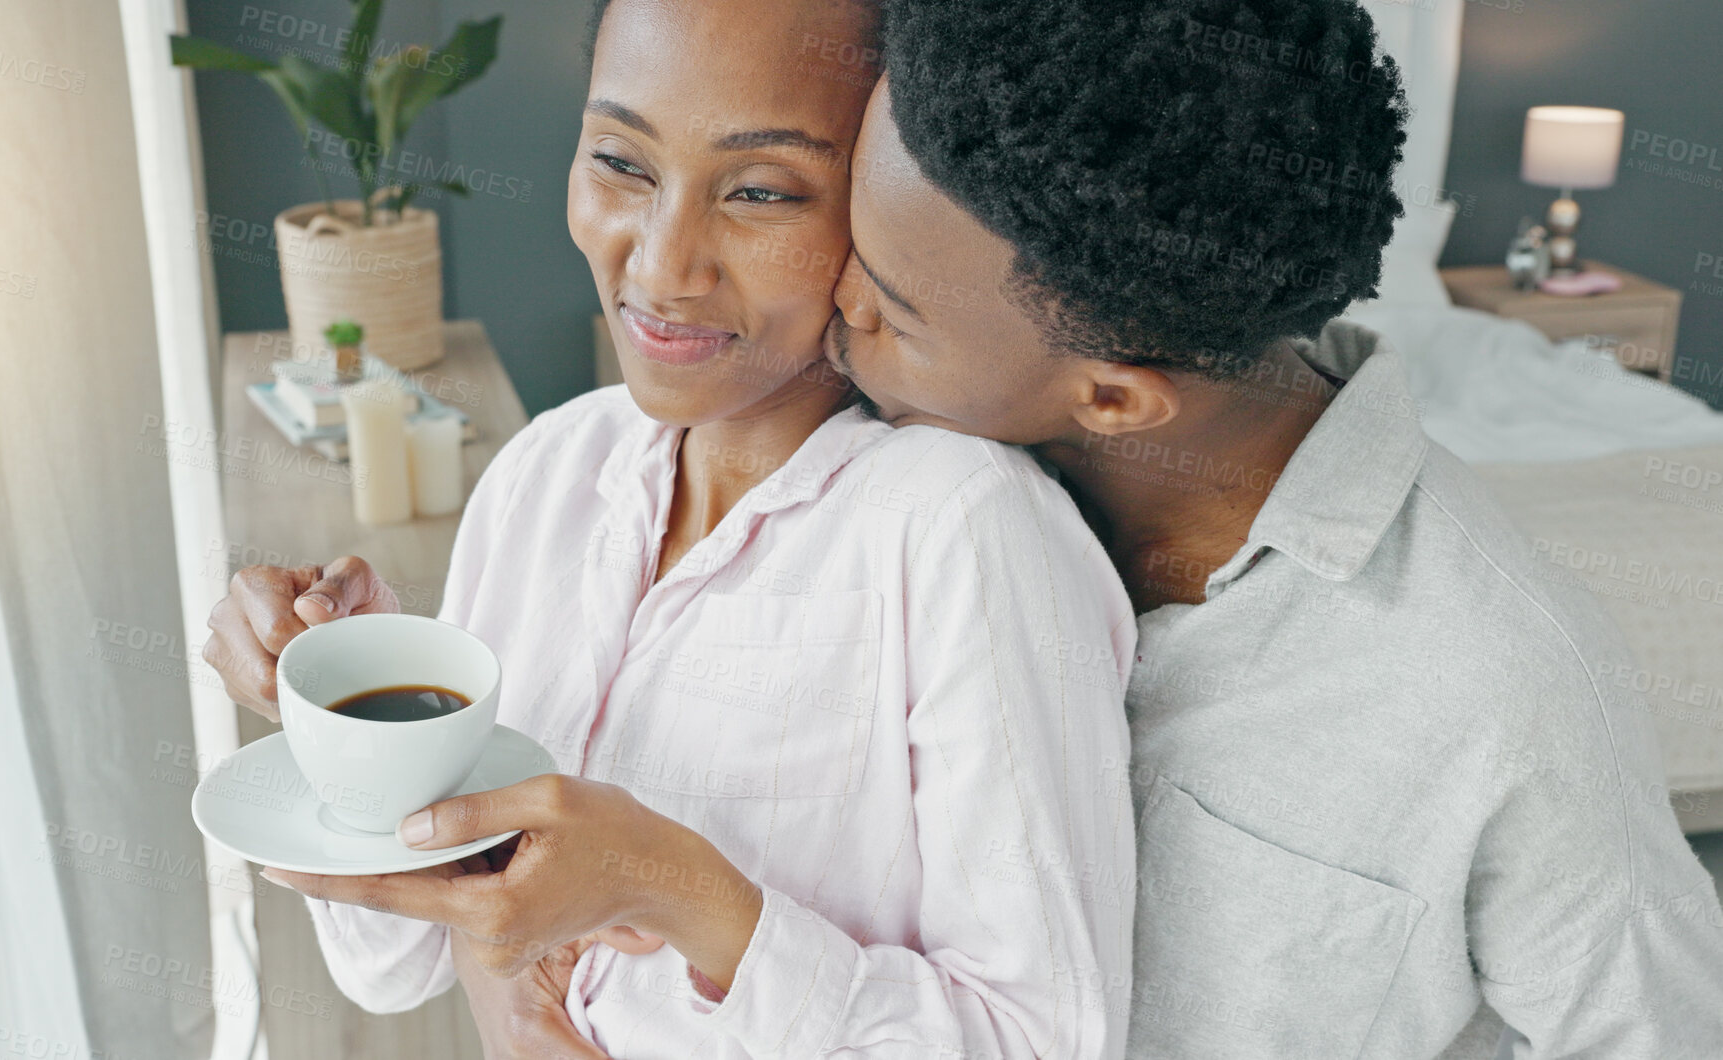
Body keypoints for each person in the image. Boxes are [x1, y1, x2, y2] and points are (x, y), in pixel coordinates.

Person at [204, 0, 1137, 1057]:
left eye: (760, 191)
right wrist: (350, 713)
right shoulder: (547, 474)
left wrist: (681, 890)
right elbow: (392, 966)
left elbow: (1045, 1037)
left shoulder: (964, 531)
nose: (660, 265)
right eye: (621, 161)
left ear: (886, 204)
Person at [818, 0, 1723, 1056]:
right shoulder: (885, 458)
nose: (830, 305)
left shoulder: (1508, 691)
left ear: (1113, 400)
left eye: (889, 306)